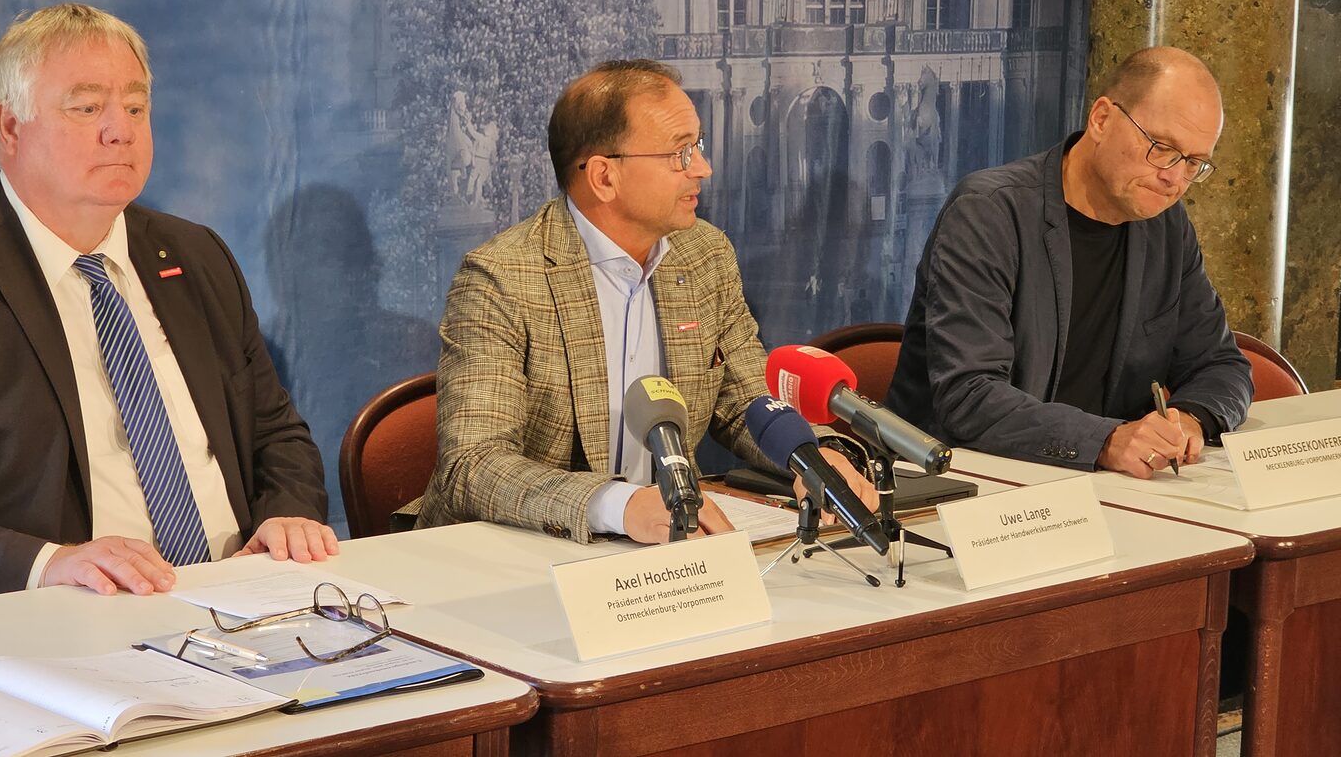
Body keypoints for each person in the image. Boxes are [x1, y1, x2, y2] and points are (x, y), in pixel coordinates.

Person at [0, 3, 335, 615]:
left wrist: (287, 514)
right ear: (11, 126)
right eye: (87, 109)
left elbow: (274, 431)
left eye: (135, 108)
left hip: (244, 596)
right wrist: (47, 564)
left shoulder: (196, 253)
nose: (121, 131)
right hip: (58, 617)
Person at [413, 59, 872, 544]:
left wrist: (813, 457)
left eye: (697, 146)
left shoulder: (705, 255)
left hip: (665, 557)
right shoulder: (502, 278)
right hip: (513, 559)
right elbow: (475, 464)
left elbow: (746, 401)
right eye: (679, 154)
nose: (703, 168)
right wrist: (619, 504)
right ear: (604, 177)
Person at [887, 46, 1253, 478]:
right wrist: (1106, 441)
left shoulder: (1166, 226)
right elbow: (969, 396)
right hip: (967, 489)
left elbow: (1222, 366)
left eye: (1194, 163)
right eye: (1162, 148)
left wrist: (1188, 419)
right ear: (1101, 119)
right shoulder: (988, 213)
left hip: (1108, 491)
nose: (1174, 177)